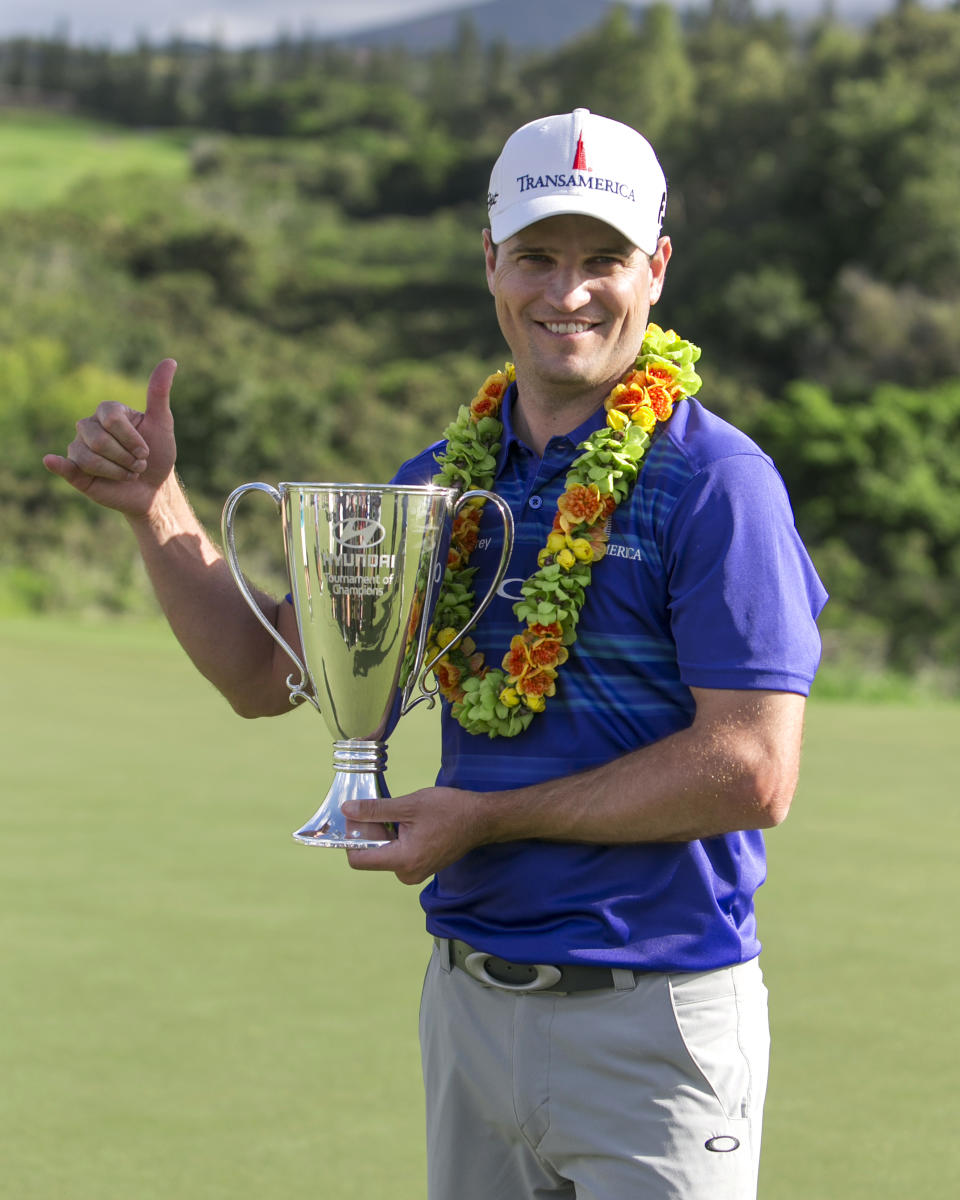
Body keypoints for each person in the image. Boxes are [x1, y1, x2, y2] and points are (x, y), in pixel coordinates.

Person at [45, 109, 827, 1200]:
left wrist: (488, 817)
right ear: (490, 264)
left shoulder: (719, 485)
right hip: (468, 1013)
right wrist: (154, 508)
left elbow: (753, 768)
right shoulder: (441, 484)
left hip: (655, 1022)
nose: (568, 294)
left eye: (602, 260)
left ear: (655, 268)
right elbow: (264, 675)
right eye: (538, 258)